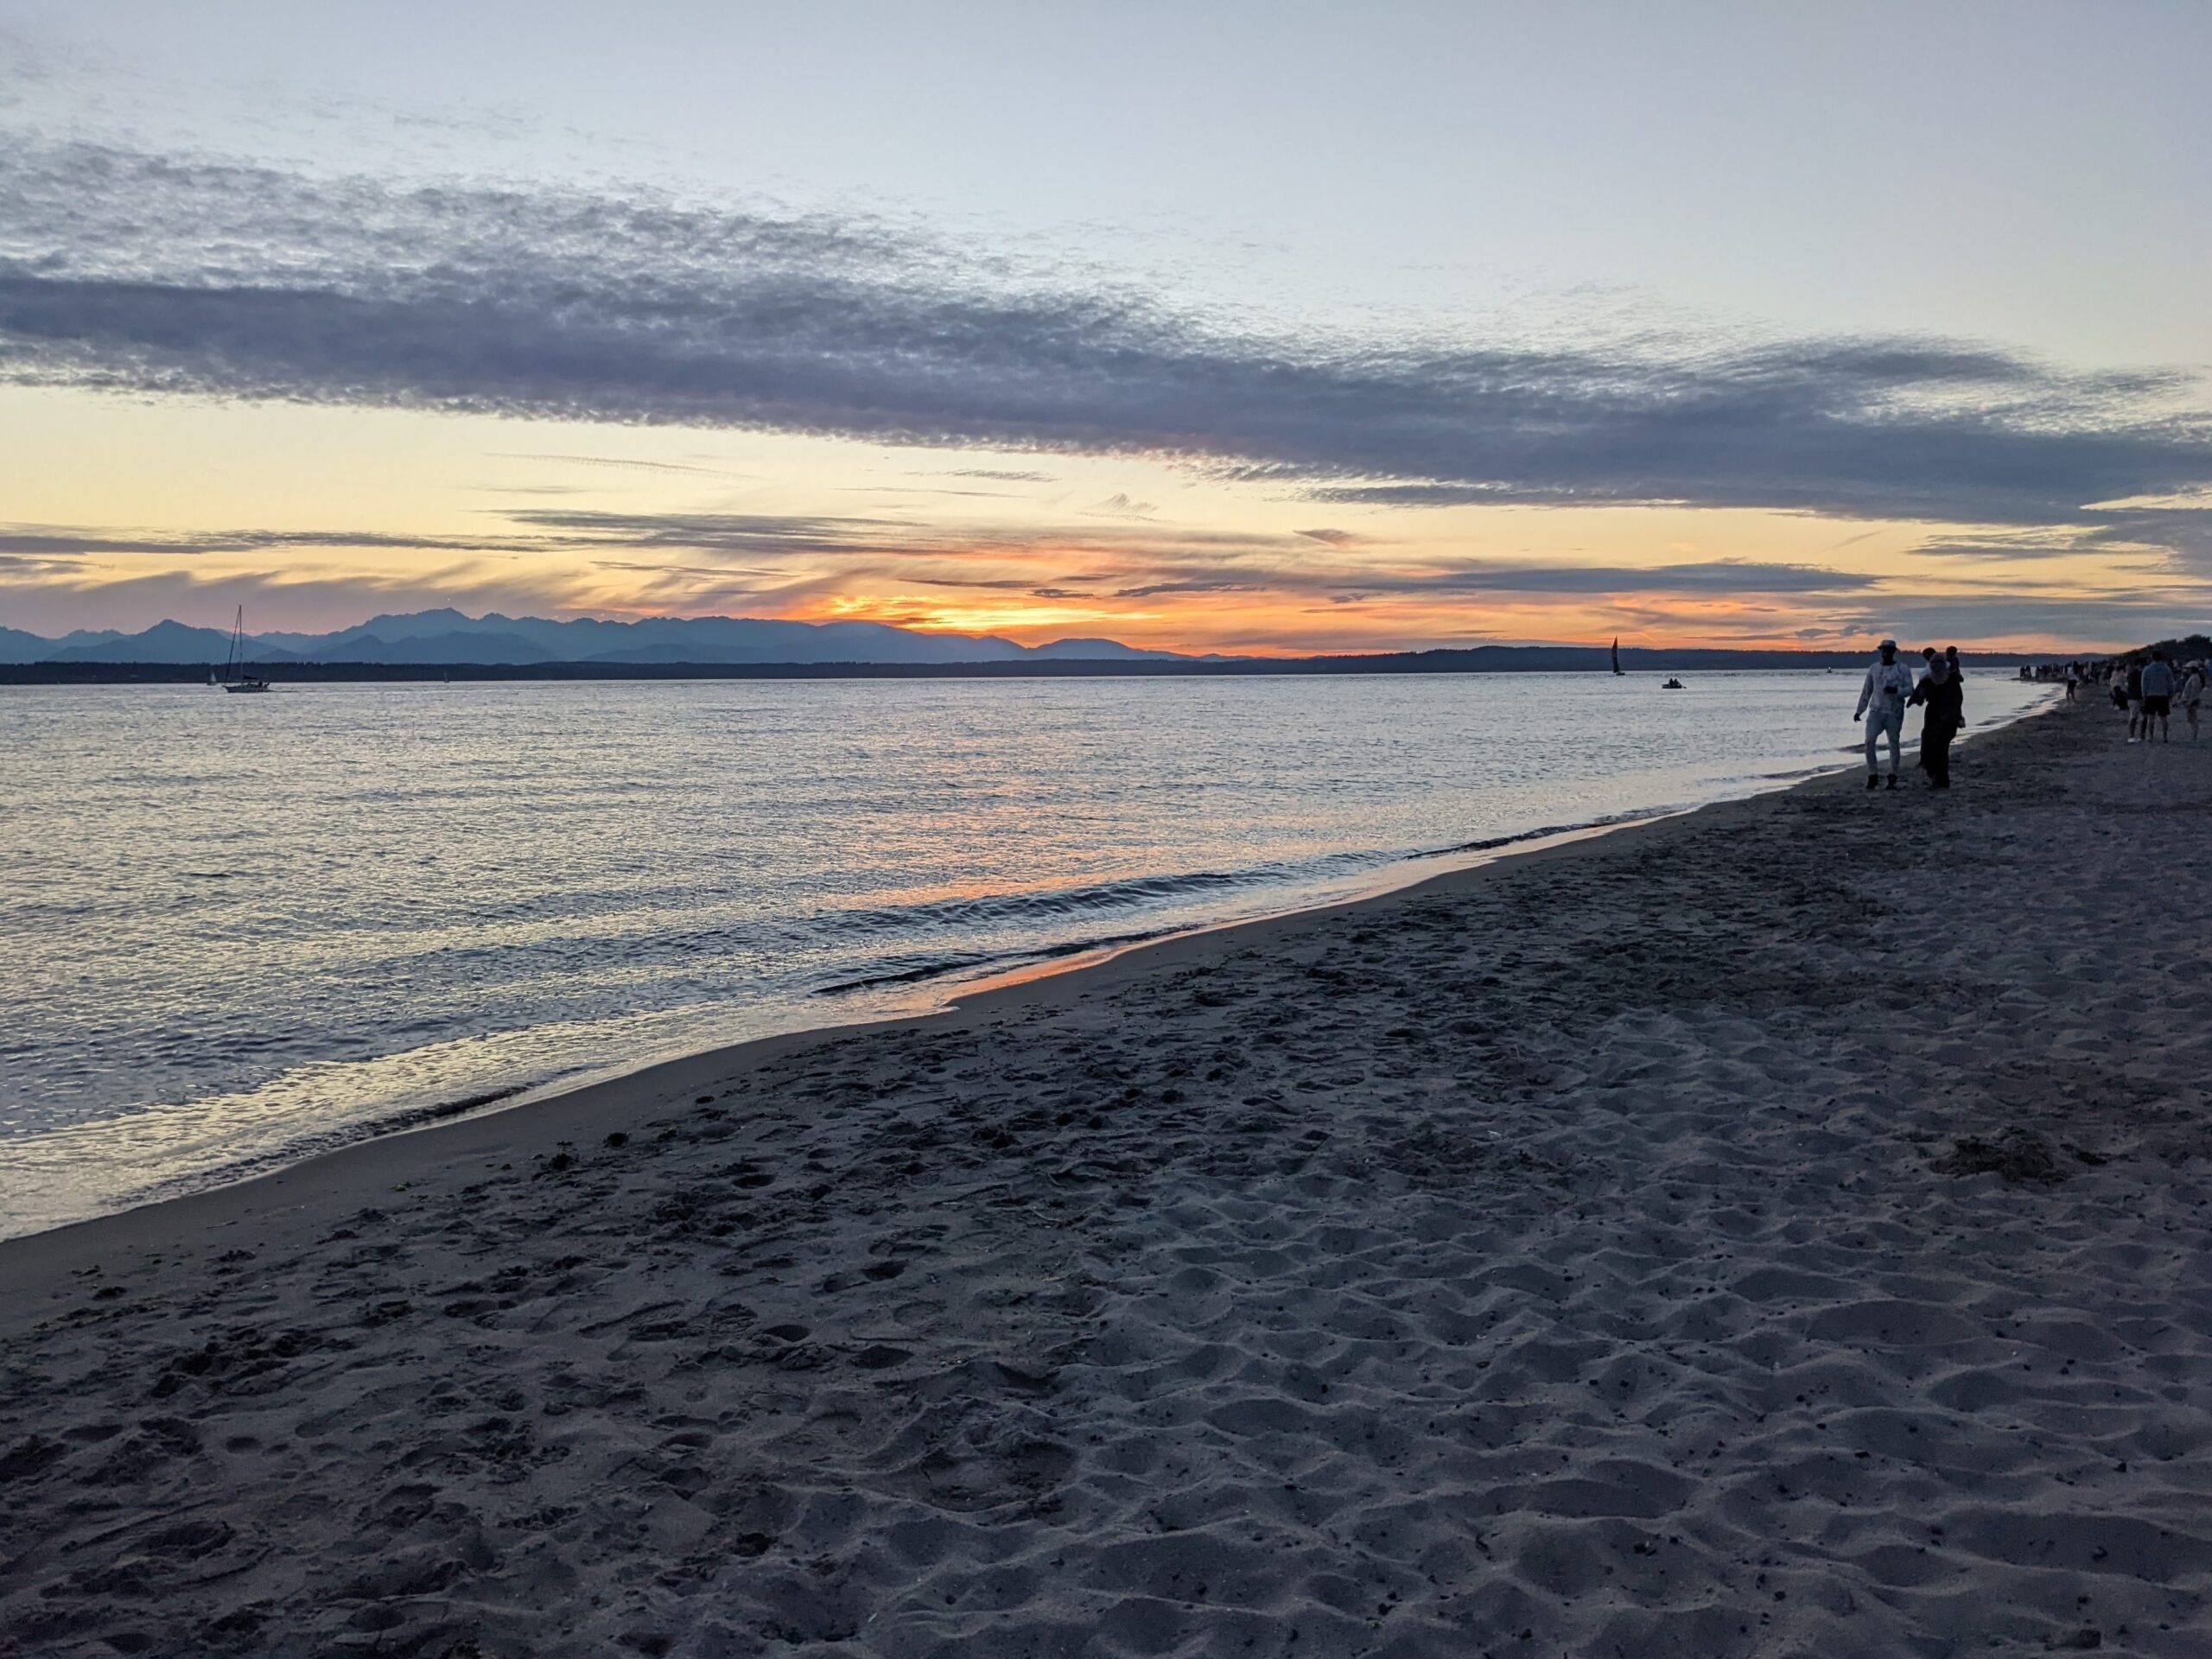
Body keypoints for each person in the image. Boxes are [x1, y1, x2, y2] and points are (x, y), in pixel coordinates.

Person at [1854, 638, 1916, 790]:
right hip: (1876, 711)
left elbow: (1910, 690)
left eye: (1888, 651)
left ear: (1893, 652)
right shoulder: (1874, 669)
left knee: (1893, 743)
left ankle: (1893, 775)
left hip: (1894, 712)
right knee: (1869, 741)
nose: (1886, 653)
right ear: (1880, 652)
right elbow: (1867, 691)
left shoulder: (1903, 669)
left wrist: (1897, 691)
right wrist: (1859, 710)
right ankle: (1873, 774)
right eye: (1883, 650)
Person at [1909, 649, 1964, 788]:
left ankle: (1942, 779)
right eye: (1933, 663)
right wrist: (1915, 698)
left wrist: (1958, 717)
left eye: (1938, 663)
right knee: (1928, 743)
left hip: (1948, 715)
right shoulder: (1927, 680)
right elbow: (1918, 697)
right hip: (1933, 715)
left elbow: (1958, 699)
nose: (1935, 665)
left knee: (1941, 747)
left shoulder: (1952, 679)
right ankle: (1933, 773)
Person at [2139, 650, 2175, 743]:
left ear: (2152, 658)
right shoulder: (2167, 669)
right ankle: (2165, 736)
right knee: (2164, 718)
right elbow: (2171, 683)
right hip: (2163, 695)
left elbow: (2144, 684)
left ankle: (2150, 736)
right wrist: (2171, 694)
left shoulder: (2147, 669)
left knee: (2151, 718)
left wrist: (2144, 695)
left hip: (2151, 695)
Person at [2181, 661, 2205, 741]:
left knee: (2193, 719)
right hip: (2192, 700)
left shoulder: (2195, 678)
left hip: (2192, 701)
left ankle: (2194, 735)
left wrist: (2190, 701)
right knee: (2191, 718)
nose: (2187, 670)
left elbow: (2194, 691)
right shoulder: (2194, 677)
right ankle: (2193, 734)